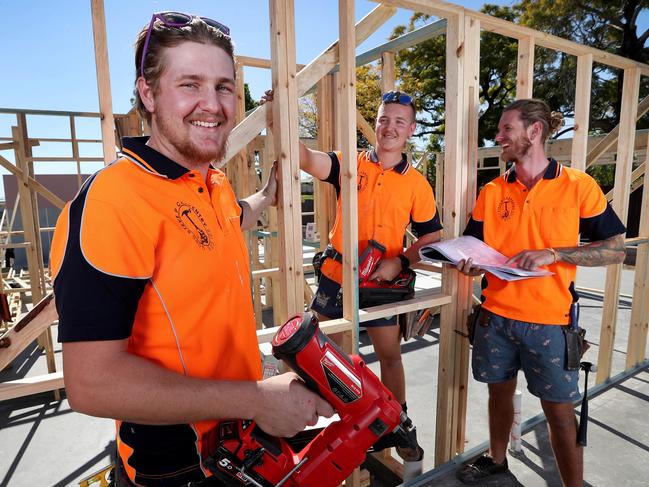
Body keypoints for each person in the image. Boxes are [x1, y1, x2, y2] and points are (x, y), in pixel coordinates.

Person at [50, 12, 333, 486]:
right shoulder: (113, 201)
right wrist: (259, 399)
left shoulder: (211, 183)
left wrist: (267, 195)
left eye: (224, 87)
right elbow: (91, 384)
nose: (213, 104)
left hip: (237, 441)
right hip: (176, 465)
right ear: (147, 93)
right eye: (190, 84)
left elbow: (230, 217)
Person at [455, 99, 626, 486]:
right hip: (495, 317)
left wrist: (553, 253)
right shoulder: (493, 190)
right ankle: (497, 459)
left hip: (550, 323)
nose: (498, 137)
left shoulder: (578, 186)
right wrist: (469, 262)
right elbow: (473, 244)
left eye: (506, 130)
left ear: (534, 132)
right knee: (499, 395)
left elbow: (615, 249)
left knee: (560, 413)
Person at [264, 89, 442, 458]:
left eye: (398, 122)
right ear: (375, 123)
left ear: (410, 130)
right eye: (383, 119)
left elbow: (432, 236)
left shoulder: (416, 184)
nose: (389, 127)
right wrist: (278, 113)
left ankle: (398, 426)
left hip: (383, 281)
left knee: (389, 354)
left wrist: (403, 261)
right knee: (317, 352)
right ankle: (329, 421)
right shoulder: (350, 165)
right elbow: (304, 158)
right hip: (338, 274)